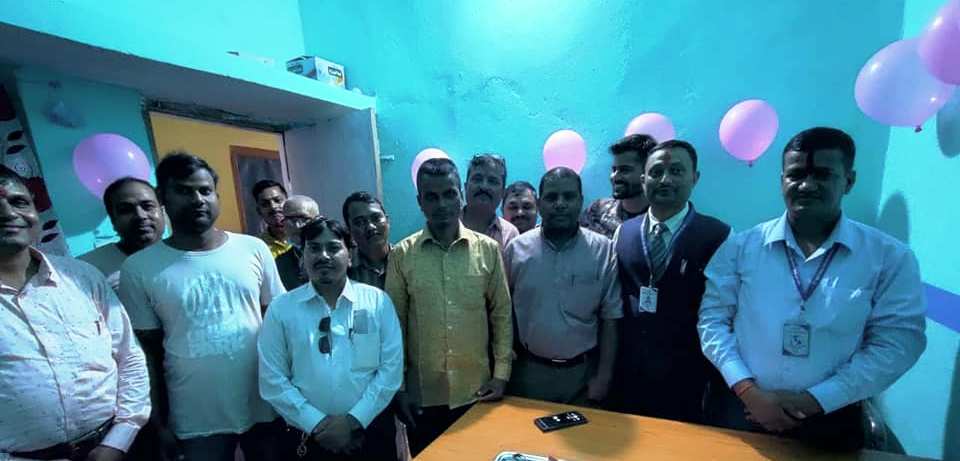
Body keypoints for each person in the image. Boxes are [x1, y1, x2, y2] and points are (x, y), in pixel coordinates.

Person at [698, 127, 927, 450]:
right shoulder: (741, 248)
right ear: (782, 180)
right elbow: (712, 322)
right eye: (795, 175)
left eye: (823, 174)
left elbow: (898, 343)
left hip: (832, 419)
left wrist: (816, 399)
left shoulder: (888, 257)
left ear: (849, 181)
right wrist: (749, 391)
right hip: (743, 410)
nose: (806, 185)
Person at [120, 152, 286, 461]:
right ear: (162, 197)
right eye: (184, 191)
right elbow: (146, 355)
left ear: (216, 196)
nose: (197, 199)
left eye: (205, 190)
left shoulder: (253, 249)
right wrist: (157, 424)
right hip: (195, 419)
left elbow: (279, 326)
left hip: (265, 406)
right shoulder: (140, 268)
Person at [0, 165, 150, 461]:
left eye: (19, 202)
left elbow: (128, 355)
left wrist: (119, 439)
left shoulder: (82, 276)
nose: (7, 213)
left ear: (36, 212)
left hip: (118, 448)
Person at [385, 157, 513, 456]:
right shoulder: (402, 255)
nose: (441, 204)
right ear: (420, 202)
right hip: (422, 398)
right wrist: (399, 388)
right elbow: (394, 329)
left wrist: (501, 375)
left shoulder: (488, 250)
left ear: (461, 195)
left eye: (449, 194)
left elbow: (502, 315)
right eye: (431, 196)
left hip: (477, 393)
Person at [259, 217, 403, 460]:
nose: (323, 256)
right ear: (303, 257)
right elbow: (272, 379)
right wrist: (316, 424)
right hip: (307, 438)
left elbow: (391, 369)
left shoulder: (376, 302)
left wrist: (354, 420)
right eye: (314, 248)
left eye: (334, 248)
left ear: (350, 256)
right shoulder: (281, 309)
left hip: (372, 432)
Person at [609, 140, 731, 423]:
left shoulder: (719, 236)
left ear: (694, 178)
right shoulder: (623, 233)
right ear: (643, 179)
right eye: (656, 172)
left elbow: (725, 315)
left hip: (689, 381)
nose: (665, 180)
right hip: (628, 377)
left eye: (676, 171)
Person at [504, 167, 621, 405]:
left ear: (580, 201)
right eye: (551, 197)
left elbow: (611, 317)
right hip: (528, 374)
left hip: (583, 377)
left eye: (568, 196)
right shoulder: (516, 250)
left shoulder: (603, 250)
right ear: (539, 203)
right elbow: (502, 312)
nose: (560, 204)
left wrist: (604, 377)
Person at [80, 177, 165, 292]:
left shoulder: (184, 255)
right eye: (126, 209)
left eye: (147, 206)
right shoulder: (88, 268)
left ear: (162, 212)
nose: (140, 216)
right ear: (113, 220)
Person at [580, 134, 657, 238]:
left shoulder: (660, 220)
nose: (615, 177)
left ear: (648, 172)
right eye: (614, 170)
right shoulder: (597, 212)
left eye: (625, 170)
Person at [461, 153, 519, 251]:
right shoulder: (448, 224)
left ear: (503, 192)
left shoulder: (510, 235)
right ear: (466, 186)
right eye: (477, 179)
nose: (484, 187)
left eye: (492, 181)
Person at [342, 191, 391, 289]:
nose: (370, 227)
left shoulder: (405, 260)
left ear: (388, 221)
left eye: (376, 218)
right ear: (349, 230)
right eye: (360, 222)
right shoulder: (344, 269)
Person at [275, 195, 321, 290]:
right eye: (290, 220)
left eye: (304, 219)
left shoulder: (333, 253)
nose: (297, 226)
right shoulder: (280, 263)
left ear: (319, 220)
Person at [253, 179, 291, 258]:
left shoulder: (306, 237)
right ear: (259, 211)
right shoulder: (258, 247)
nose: (273, 207)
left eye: (277, 200)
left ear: (289, 202)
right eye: (265, 204)